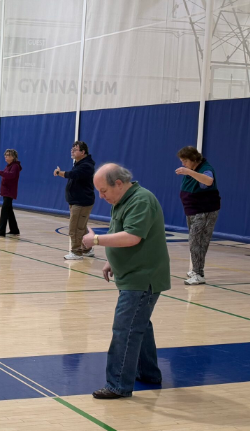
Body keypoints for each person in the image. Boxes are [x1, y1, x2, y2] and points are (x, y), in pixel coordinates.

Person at [81, 163, 170, 400]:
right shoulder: (123, 200)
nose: (101, 196)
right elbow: (123, 232)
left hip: (143, 277)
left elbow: (132, 237)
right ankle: (149, 373)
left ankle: (118, 384)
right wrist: (112, 260)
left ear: (118, 184)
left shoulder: (141, 200)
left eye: (103, 191)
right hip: (132, 275)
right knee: (139, 325)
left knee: (125, 328)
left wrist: (96, 241)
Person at [176, 146, 221, 286]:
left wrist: (188, 171)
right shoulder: (192, 170)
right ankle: (197, 270)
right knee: (195, 241)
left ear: (194, 159)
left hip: (205, 210)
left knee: (197, 241)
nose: (183, 164)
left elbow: (208, 181)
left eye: (185, 161)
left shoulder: (205, 169)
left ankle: (198, 273)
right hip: (192, 210)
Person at [55, 141, 96, 260]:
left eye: (75, 149)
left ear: (83, 152)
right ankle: (87, 249)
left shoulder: (86, 166)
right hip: (75, 201)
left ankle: (76, 252)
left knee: (75, 228)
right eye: (72, 148)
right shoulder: (79, 163)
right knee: (81, 228)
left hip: (81, 202)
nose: (72, 151)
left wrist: (59, 172)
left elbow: (73, 174)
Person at [0, 149, 22, 238]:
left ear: (13, 157)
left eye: (8, 155)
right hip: (6, 191)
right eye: (5, 155)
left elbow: (11, 175)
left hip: (9, 191)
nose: (6, 156)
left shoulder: (15, 166)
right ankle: (14, 230)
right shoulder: (9, 166)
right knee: (9, 211)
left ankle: (1, 231)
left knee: (4, 211)